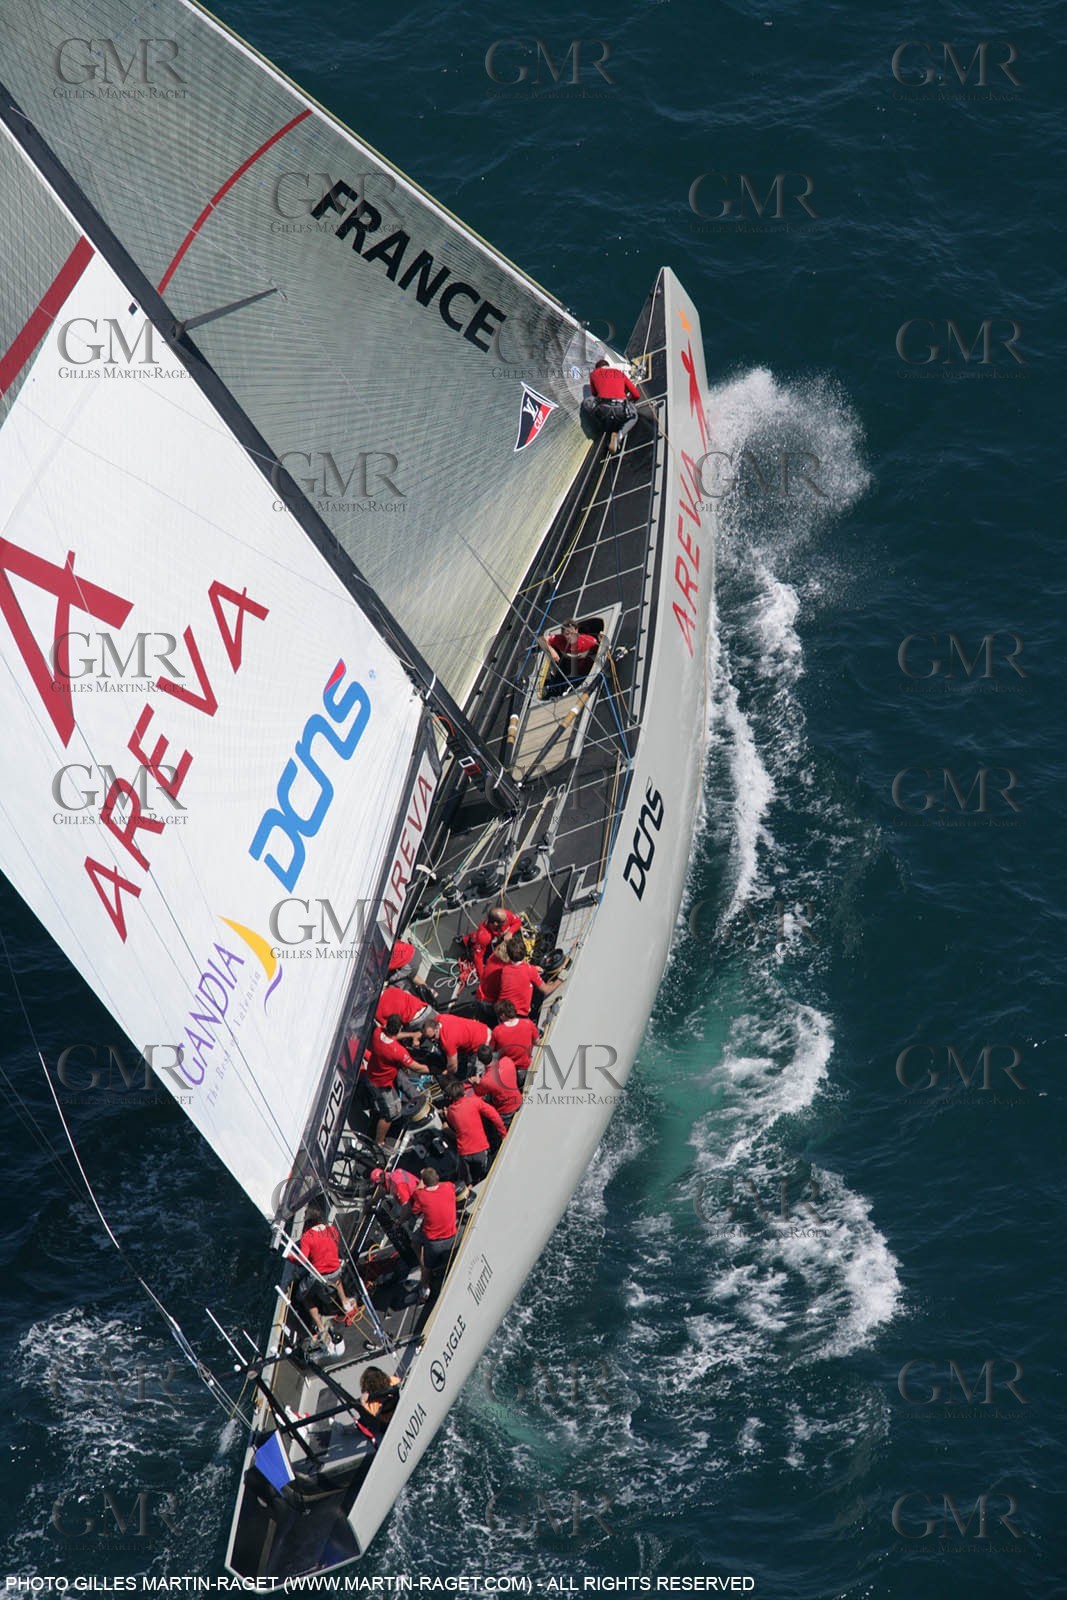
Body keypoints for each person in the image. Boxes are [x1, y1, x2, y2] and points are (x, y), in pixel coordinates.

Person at [288, 1203, 358, 1351]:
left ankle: (320, 1326)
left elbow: (302, 1260)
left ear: (308, 1221)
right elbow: (335, 1242)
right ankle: (345, 1302)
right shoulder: (331, 1230)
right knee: (337, 1280)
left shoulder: (307, 1237)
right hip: (336, 1271)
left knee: (304, 1296)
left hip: (320, 1277)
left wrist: (290, 1256)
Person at [404, 1166, 458, 1299]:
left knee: (426, 1265)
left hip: (434, 1242)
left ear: (424, 1182)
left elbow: (415, 1207)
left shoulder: (421, 1195)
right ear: (437, 1177)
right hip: (452, 1235)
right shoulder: (448, 1186)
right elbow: (447, 1186)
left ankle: (425, 1288)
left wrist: (421, 1182)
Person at [366, 1014, 420, 1145]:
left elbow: (392, 1035)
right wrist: (432, 1069)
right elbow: (416, 1067)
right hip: (382, 1084)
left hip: (373, 1075)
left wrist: (411, 1035)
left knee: (396, 1094)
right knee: (391, 1114)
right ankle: (379, 1143)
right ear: (400, 1028)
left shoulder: (377, 1033)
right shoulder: (398, 1051)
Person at [443, 1079, 506, 1185]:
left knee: (469, 1183)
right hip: (480, 1149)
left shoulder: (450, 1111)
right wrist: (503, 1132)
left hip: (464, 1153)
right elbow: (494, 1116)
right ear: (463, 1092)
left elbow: (453, 1124)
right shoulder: (474, 1102)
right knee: (488, 1177)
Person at [486, 935, 562, 1018]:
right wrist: (561, 979)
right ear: (525, 951)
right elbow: (546, 990)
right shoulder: (530, 970)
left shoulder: (505, 970)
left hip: (503, 1012)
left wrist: (533, 969)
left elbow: (518, 971)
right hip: (517, 1014)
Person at [584, 357, 641, 452]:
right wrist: (628, 401)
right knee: (634, 416)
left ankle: (600, 427)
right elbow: (636, 395)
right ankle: (620, 435)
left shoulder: (593, 374)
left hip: (603, 409)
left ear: (598, 368)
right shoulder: (619, 373)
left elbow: (594, 394)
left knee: (587, 401)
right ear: (608, 366)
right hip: (620, 410)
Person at [419, 1013, 491, 1079]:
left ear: (437, 1027)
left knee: (476, 1076)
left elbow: (453, 1067)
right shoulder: (439, 1018)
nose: (432, 1040)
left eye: (433, 1037)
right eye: (428, 1038)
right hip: (481, 1029)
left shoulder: (447, 1040)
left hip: (482, 1044)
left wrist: (446, 1074)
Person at [471, 1043, 523, 1125]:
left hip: (506, 1112)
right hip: (519, 1101)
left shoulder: (486, 1081)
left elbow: (478, 1092)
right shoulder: (507, 1061)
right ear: (492, 1054)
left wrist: (476, 1082)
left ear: (480, 1060)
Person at [467, 906, 522, 980]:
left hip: (499, 938)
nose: (507, 920)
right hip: (486, 945)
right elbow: (478, 958)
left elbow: (518, 921)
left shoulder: (505, 915)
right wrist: (482, 978)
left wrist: (510, 932)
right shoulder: (484, 936)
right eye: (504, 921)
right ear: (495, 924)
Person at [539, 619, 601, 685]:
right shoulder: (559, 640)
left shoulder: (589, 641)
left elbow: (600, 650)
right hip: (568, 671)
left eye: (572, 633)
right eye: (567, 634)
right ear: (563, 634)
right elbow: (541, 639)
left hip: (586, 672)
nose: (570, 636)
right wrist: (552, 651)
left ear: (576, 630)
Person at [491, 1000, 540, 1077]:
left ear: (503, 1015)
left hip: (508, 1069)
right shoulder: (528, 1023)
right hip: (524, 1066)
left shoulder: (497, 1031)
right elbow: (536, 1042)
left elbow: (491, 1049)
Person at [356, 1366, 401, 1438]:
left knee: (360, 1423)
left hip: (387, 1425)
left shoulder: (373, 1404)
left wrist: (363, 1402)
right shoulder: (393, 1381)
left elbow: (369, 1419)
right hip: (400, 1411)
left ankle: (347, 1429)